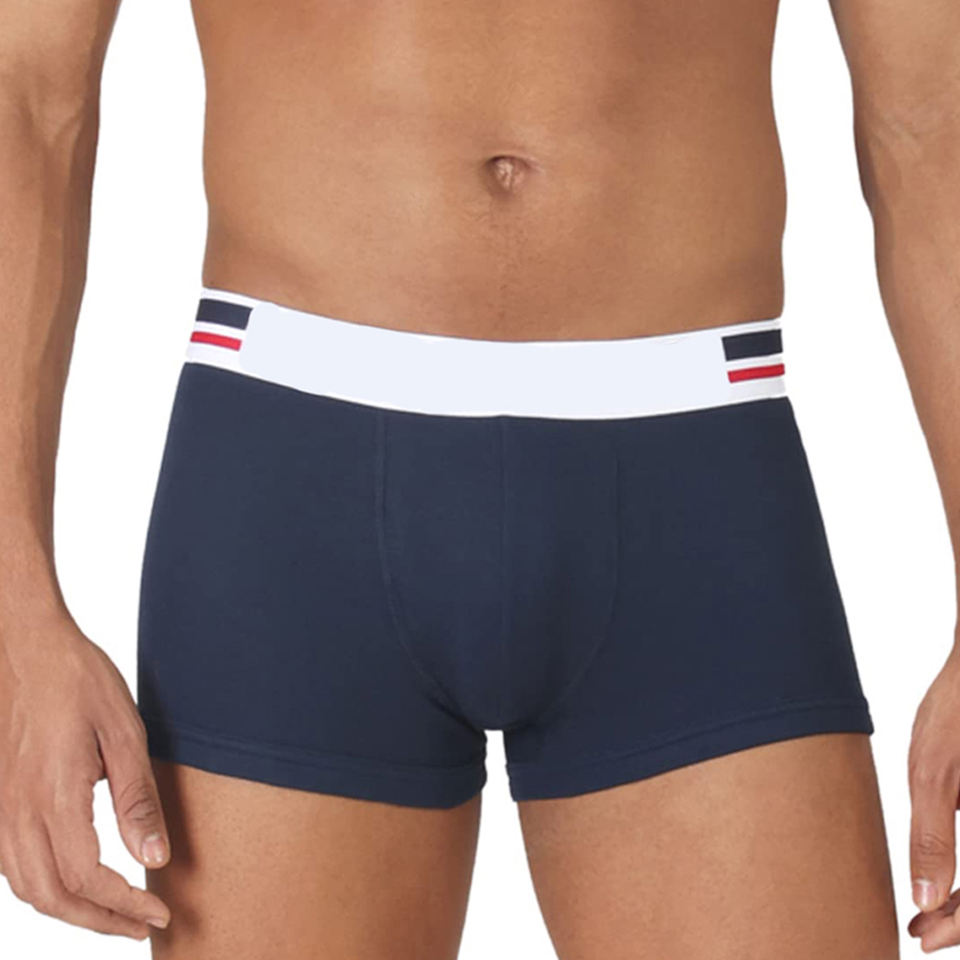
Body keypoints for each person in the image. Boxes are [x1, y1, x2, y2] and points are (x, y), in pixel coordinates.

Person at [1, 0, 959, 955]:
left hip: (697, 485)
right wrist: (16, 619)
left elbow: (932, 120)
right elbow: (25, 96)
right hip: (293, 485)